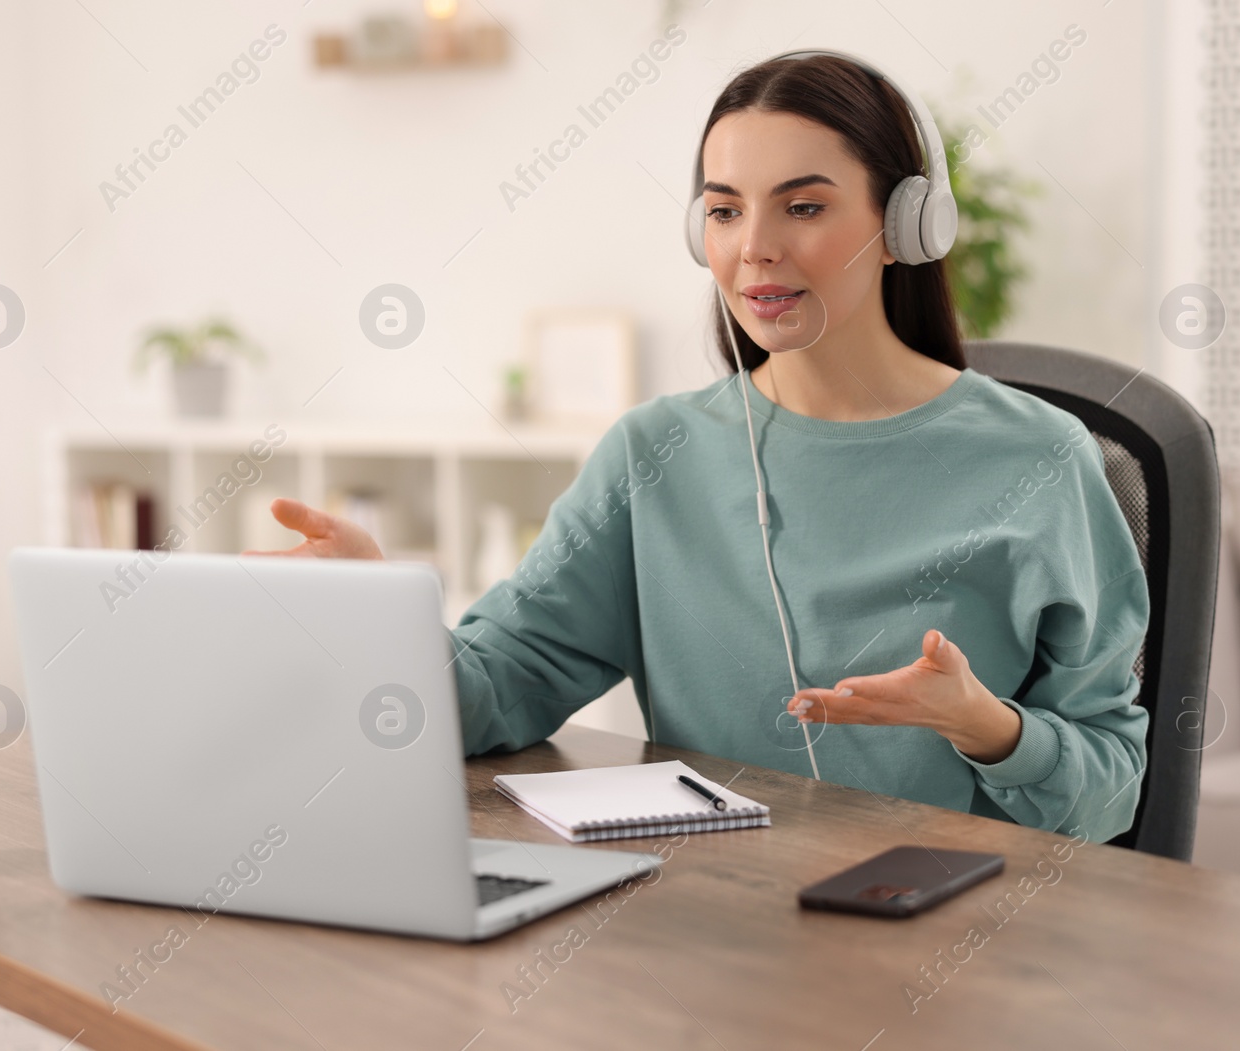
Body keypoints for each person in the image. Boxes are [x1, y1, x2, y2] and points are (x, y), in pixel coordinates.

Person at [253, 55, 1149, 842]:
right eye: (724, 211)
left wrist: (989, 727)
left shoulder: (1041, 460)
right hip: (717, 927)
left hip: (959, 936)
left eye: (803, 206)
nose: (755, 248)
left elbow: (1112, 792)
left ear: (908, 225)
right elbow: (497, 687)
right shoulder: (656, 454)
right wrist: (377, 617)